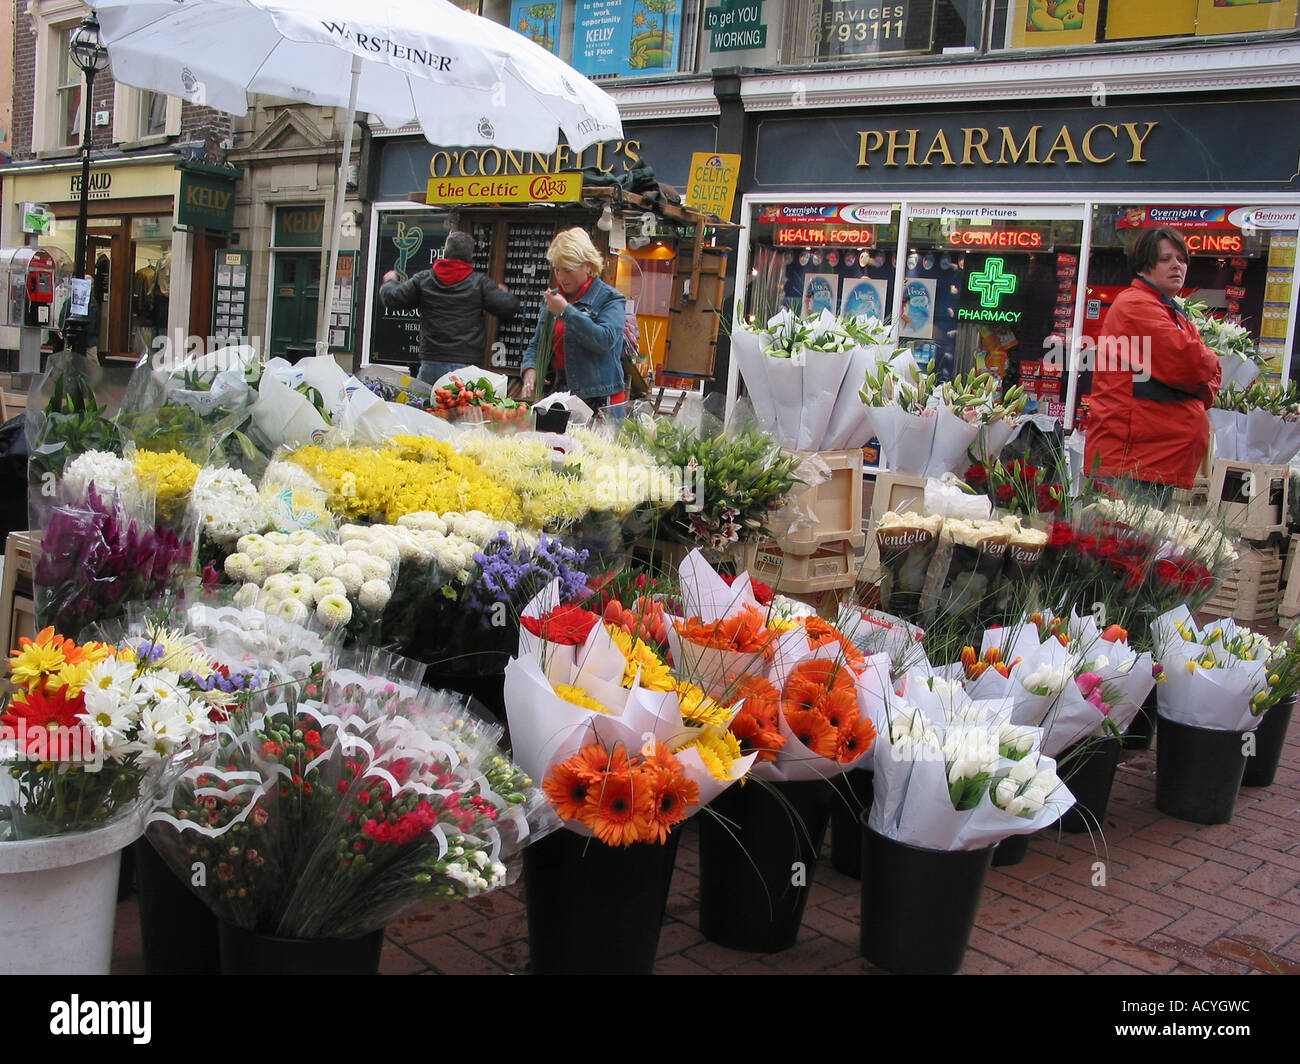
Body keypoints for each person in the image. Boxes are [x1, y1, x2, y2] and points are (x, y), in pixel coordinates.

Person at [1083, 228, 1221, 498]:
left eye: (1181, 259)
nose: (1176, 266)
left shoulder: (1171, 311)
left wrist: (1203, 372)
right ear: (1144, 265)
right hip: (1132, 463)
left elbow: (1209, 378)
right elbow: (1192, 362)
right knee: (1124, 538)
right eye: (1166, 259)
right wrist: (1206, 366)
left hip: (1153, 460)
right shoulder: (1137, 305)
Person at [379, 231, 518, 384]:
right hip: (465, 366)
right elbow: (509, 307)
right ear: (470, 258)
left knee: (422, 406)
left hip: (431, 362)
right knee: (461, 407)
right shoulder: (479, 283)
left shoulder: (424, 279)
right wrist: (503, 293)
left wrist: (390, 281)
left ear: (444, 253)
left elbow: (392, 298)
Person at [520, 227, 627, 421]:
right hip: (558, 394)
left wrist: (566, 311)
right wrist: (530, 370)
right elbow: (536, 344)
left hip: (599, 397)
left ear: (587, 265)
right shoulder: (553, 298)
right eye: (557, 269)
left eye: (567, 270)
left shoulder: (611, 299)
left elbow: (604, 340)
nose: (561, 277)